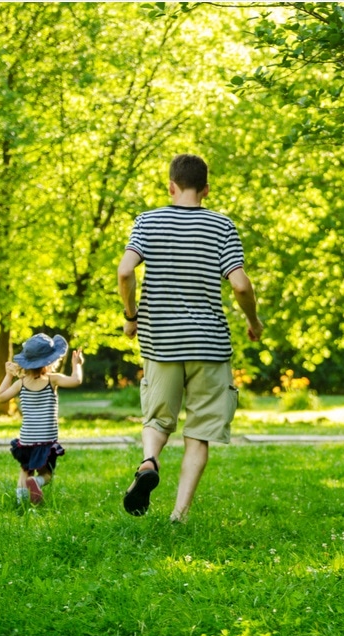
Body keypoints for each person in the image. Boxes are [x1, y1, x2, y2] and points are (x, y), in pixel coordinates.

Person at [118, 153, 263, 520]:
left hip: (161, 342)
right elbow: (241, 285)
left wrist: (131, 317)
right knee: (197, 433)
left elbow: (124, 272)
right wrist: (254, 322)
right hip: (209, 346)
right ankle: (178, 515)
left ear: (171, 186)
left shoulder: (148, 222)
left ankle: (149, 461)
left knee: (156, 420)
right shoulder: (221, 226)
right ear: (206, 190)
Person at [0, 333, 84, 506]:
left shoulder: (21, 383)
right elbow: (76, 380)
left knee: (25, 470)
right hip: (45, 440)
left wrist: (8, 375)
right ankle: (38, 483)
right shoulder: (52, 380)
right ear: (50, 361)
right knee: (47, 473)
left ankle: (21, 503)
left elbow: (0, 397)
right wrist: (77, 365)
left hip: (27, 439)